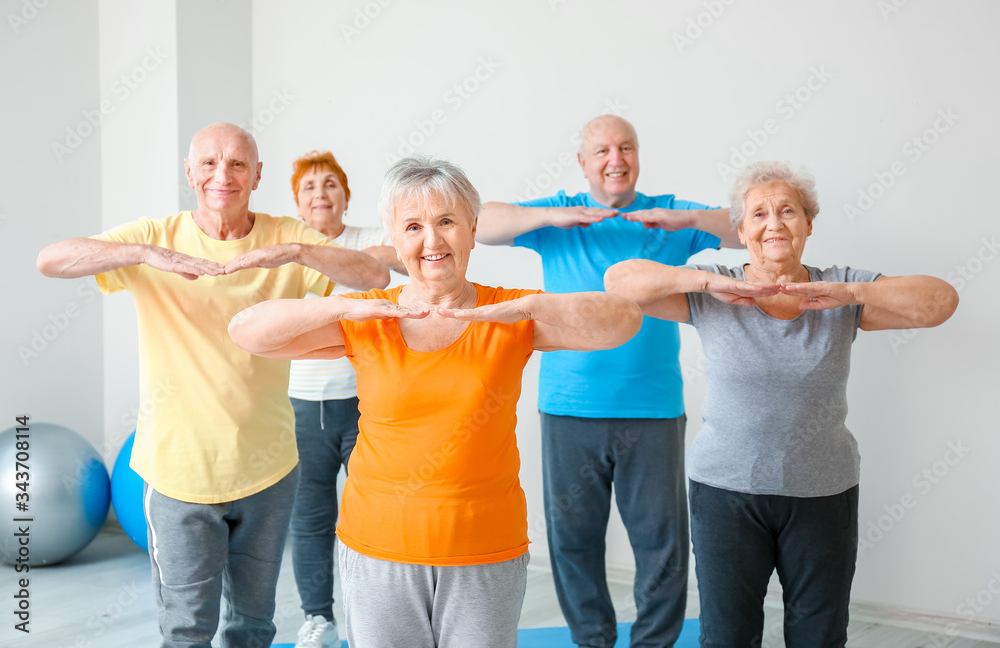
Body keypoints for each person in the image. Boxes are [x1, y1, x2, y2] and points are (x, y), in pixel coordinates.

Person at [228, 155, 644, 648]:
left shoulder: (508, 312)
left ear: (471, 227)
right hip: (379, 545)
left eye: (446, 221)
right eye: (413, 226)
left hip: (484, 550)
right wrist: (341, 303)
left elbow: (623, 320)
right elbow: (246, 331)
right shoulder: (366, 317)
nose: (432, 241)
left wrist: (528, 306)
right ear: (393, 236)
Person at [35, 122, 390, 648]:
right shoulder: (154, 238)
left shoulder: (285, 238)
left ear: (257, 175)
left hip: (268, 470)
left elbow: (372, 276)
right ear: (190, 173)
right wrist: (143, 254)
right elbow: (51, 260)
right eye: (208, 163)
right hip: (179, 474)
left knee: (253, 627)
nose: (222, 175)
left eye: (237, 164)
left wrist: (293, 253)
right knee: (186, 630)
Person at [604, 161, 959, 646]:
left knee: (819, 634)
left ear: (809, 224)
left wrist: (851, 292)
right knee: (729, 636)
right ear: (743, 230)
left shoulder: (844, 289)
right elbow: (618, 283)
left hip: (823, 491)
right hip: (725, 491)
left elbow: (941, 301)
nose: (773, 223)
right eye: (759, 214)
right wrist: (708, 283)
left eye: (788, 211)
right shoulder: (713, 288)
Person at [475, 114, 741, 647]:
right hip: (570, 408)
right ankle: (592, 640)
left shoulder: (673, 216)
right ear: (582, 163)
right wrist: (556, 215)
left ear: (638, 156)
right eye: (601, 150)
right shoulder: (555, 217)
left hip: (653, 408)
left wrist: (675, 218)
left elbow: (744, 227)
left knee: (661, 544)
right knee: (573, 540)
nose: (615, 159)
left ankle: (652, 643)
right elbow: (480, 224)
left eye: (626, 147)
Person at [285, 150, 406, 648]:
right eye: (310, 187)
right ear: (297, 201)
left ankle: (372, 620)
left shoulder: (365, 242)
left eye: (330, 184)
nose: (320, 194)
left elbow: (400, 257)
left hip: (363, 403)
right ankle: (319, 619)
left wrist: (354, 260)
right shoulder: (287, 250)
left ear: (346, 196)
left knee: (374, 516)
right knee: (310, 521)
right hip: (298, 404)